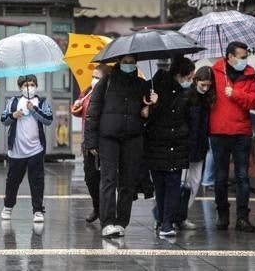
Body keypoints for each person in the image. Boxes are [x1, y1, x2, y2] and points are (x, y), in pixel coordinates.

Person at [85, 54, 158, 238]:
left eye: (132, 62)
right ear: (118, 63)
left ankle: (121, 222)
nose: (129, 65)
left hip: (133, 138)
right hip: (108, 138)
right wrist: (91, 141)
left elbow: (148, 116)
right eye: (125, 62)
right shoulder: (106, 82)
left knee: (128, 182)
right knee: (108, 179)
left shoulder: (142, 85)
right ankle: (107, 222)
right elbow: (93, 112)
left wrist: (151, 107)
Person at [209, 41, 255, 232]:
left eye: (246, 57)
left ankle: (242, 217)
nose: (244, 60)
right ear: (230, 56)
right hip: (219, 131)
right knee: (221, 176)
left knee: (242, 176)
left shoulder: (250, 74)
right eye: (241, 57)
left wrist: (235, 93)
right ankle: (222, 215)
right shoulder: (214, 73)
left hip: (241, 131)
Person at [143, 56, 195, 237]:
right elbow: (147, 117)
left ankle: (167, 222)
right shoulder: (154, 87)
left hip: (177, 144)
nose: (190, 81)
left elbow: (190, 118)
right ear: (180, 75)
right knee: (160, 185)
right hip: (157, 145)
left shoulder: (187, 93)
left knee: (173, 184)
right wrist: (154, 104)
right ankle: (161, 219)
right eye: (189, 77)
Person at [0, 75, 53, 223]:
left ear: (36, 86)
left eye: (31, 84)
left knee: (36, 180)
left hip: (36, 149)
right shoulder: (13, 101)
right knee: (12, 181)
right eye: (25, 85)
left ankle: (37, 210)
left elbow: (48, 119)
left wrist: (33, 109)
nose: (29, 87)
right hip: (16, 150)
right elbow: (3, 119)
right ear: (20, 87)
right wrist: (13, 115)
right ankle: (8, 207)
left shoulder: (41, 102)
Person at [71, 64, 111, 223]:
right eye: (93, 76)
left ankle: (105, 212)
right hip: (87, 142)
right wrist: (76, 106)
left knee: (106, 180)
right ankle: (97, 207)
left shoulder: (109, 94)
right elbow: (78, 111)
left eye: (97, 77)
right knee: (90, 178)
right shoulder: (88, 91)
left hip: (104, 142)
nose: (94, 80)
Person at [178, 65, 216, 230]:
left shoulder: (206, 100)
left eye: (208, 85)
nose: (205, 88)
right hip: (187, 146)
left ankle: (182, 215)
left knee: (194, 183)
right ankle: (176, 215)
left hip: (199, 146)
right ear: (196, 81)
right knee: (184, 182)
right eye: (203, 85)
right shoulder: (187, 97)